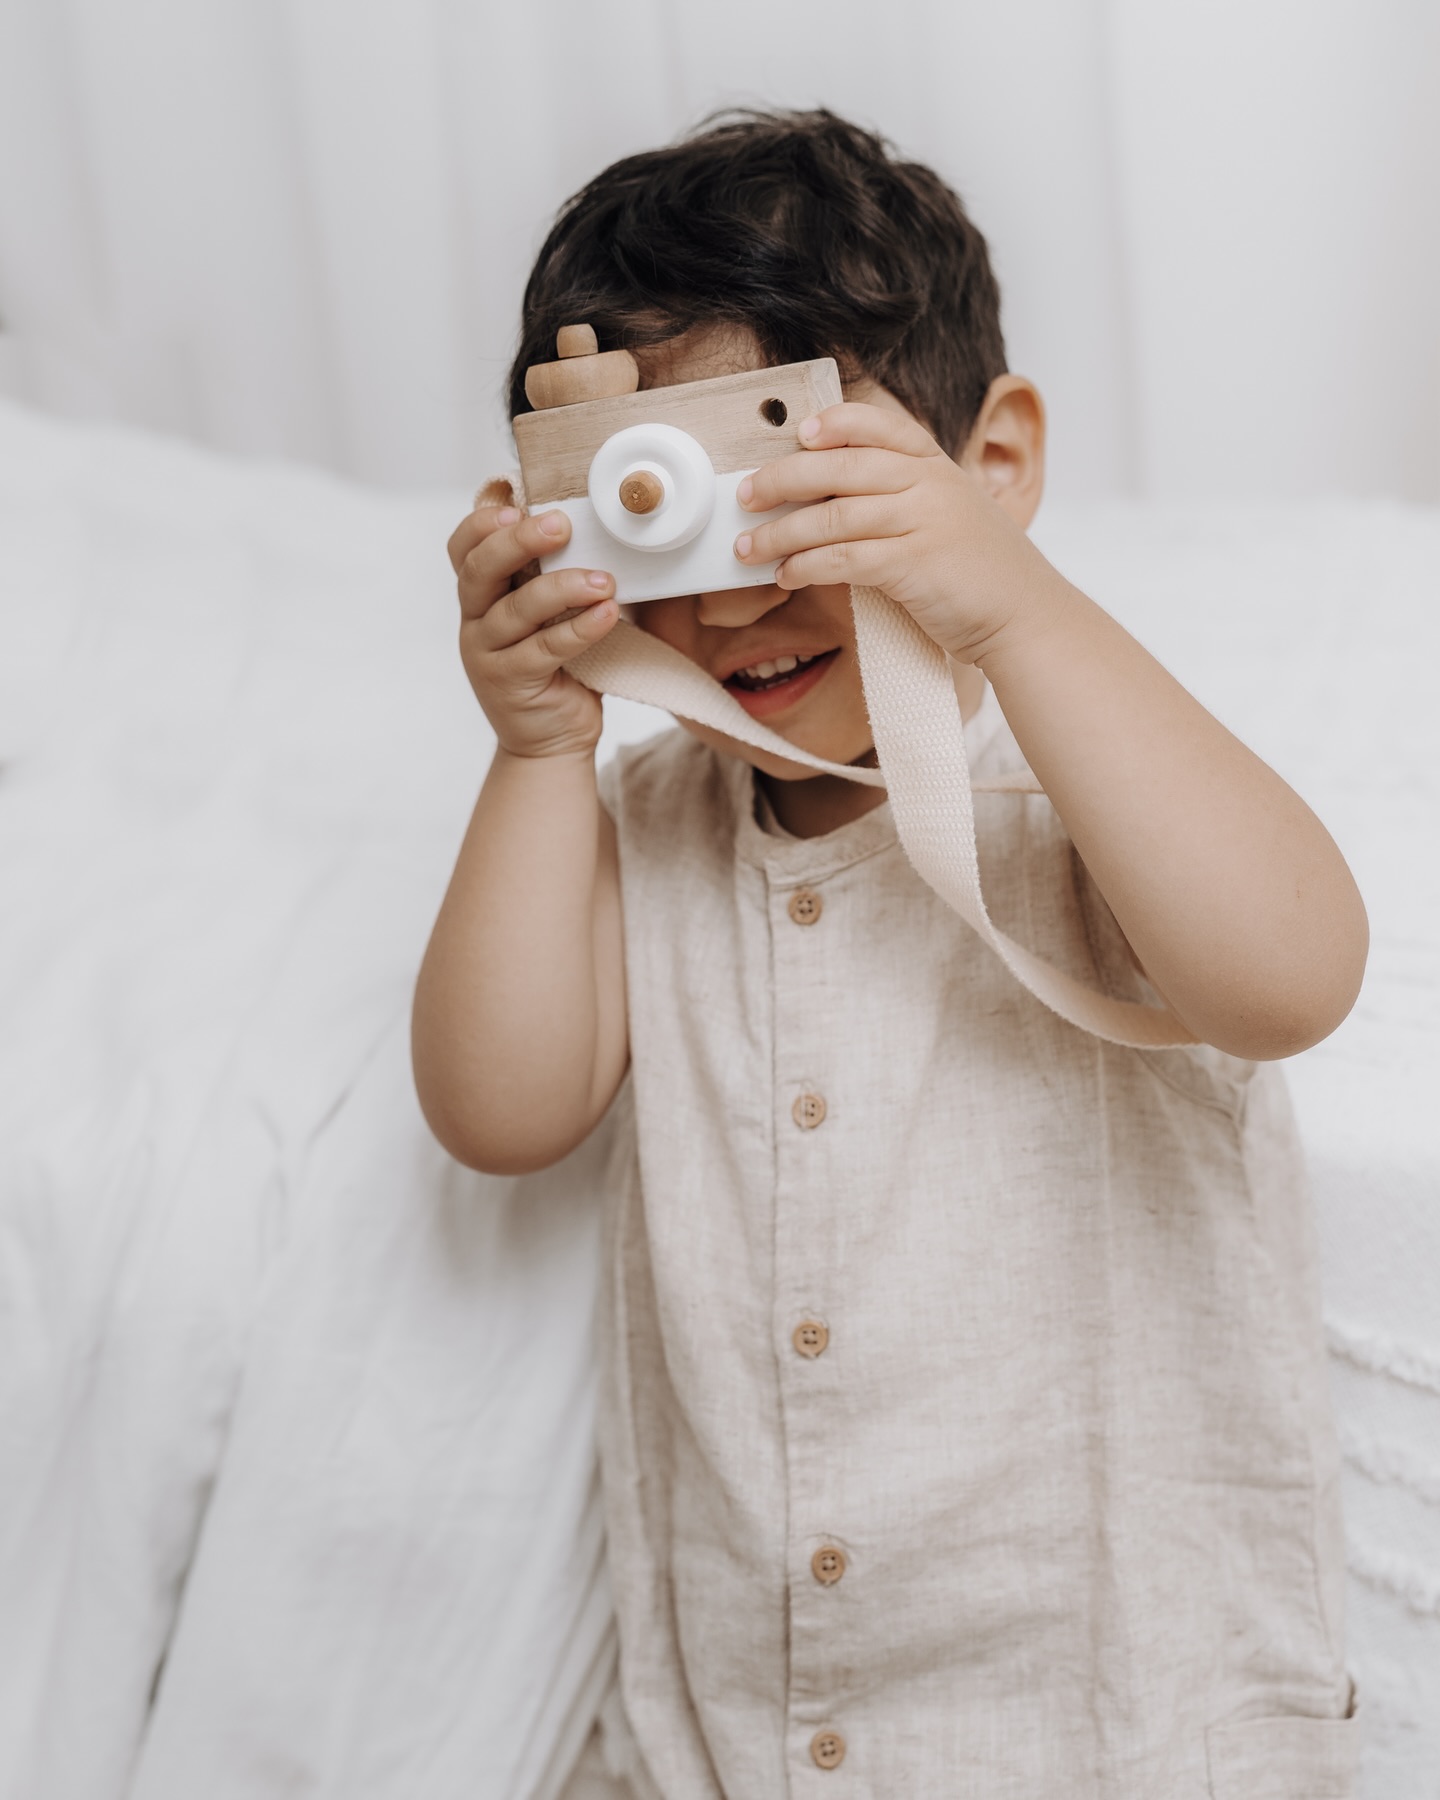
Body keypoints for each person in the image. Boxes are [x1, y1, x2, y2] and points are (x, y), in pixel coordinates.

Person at [412, 110, 1368, 1797]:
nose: (730, 598)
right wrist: (540, 743)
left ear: (991, 463)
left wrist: (1010, 603)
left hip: (1128, 1725)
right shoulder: (648, 824)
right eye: (664, 518)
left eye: (788, 489)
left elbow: (1292, 976)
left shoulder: (1088, 788)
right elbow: (499, 1109)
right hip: (751, 1743)